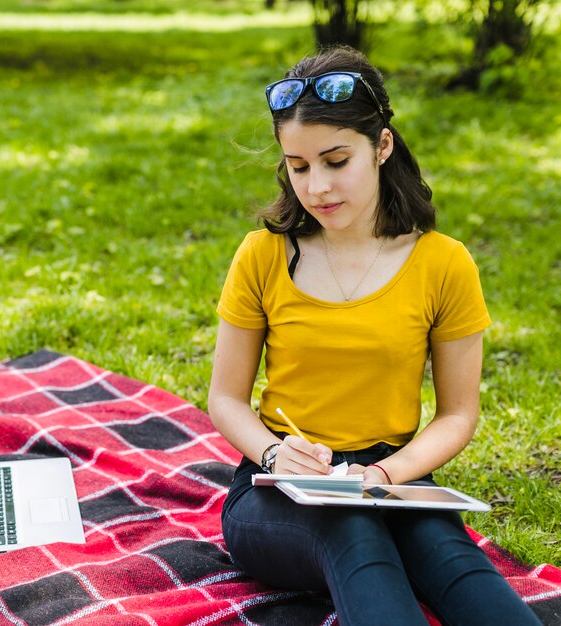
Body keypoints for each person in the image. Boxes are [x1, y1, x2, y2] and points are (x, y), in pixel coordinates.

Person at [208, 46, 541, 626]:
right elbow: (225, 400)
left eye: (337, 160)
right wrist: (274, 453)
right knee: (354, 536)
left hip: (397, 477)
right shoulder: (261, 256)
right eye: (299, 165)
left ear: (382, 146)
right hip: (276, 486)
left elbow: (457, 416)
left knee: (455, 561)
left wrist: (384, 475)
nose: (316, 186)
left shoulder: (444, 264)